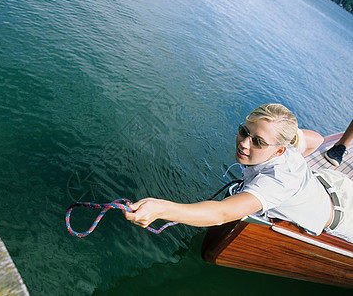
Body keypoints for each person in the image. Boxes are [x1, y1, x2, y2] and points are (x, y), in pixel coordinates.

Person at [124, 103, 353, 243]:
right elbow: (318, 140)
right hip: (333, 182)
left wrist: (161, 209)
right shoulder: (285, 146)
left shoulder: (277, 182)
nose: (244, 144)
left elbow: (222, 214)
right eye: (244, 131)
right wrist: (290, 139)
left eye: (258, 142)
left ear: (280, 150)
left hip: (345, 216)